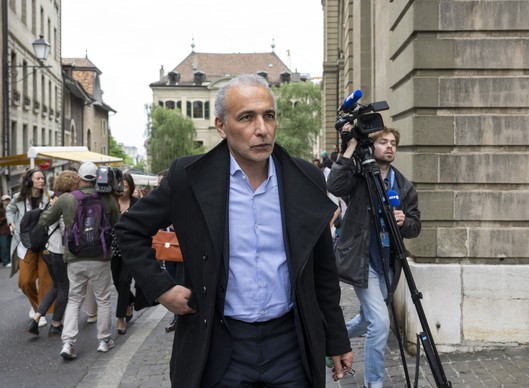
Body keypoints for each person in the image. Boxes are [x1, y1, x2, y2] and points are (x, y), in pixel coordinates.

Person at [115, 74, 353, 387]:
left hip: (290, 344)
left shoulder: (305, 178)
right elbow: (129, 229)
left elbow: (323, 268)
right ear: (221, 125)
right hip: (219, 343)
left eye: (268, 116)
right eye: (247, 117)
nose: (262, 129)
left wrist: (336, 337)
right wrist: (161, 288)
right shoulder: (188, 178)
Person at [327, 124, 421, 388]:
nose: (389, 146)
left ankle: (329, 340)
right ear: (373, 146)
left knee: (368, 318)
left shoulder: (403, 185)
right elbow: (333, 185)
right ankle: (374, 384)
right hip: (362, 261)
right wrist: (352, 145)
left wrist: (405, 222)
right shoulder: (358, 178)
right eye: (383, 142)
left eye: (393, 143)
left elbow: (416, 226)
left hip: (388, 264)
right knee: (380, 323)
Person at [39, 162, 120, 360]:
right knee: (103, 299)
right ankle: (104, 340)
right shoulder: (107, 199)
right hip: (100, 257)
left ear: (79, 178)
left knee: (75, 299)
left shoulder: (66, 199)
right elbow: (118, 223)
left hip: (74, 257)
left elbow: (44, 221)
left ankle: (68, 343)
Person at [27, 170, 78, 337]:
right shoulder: (65, 200)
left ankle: (36, 317)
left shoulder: (53, 199)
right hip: (58, 250)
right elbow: (66, 227)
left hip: (47, 250)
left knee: (56, 285)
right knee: (64, 286)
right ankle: (56, 323)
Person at [6, 168, 53, 326]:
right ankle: (37, 306)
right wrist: (11, 222)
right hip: (25, 244)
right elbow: (10, 210)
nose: (42, 180)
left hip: (45, 243)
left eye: (43, 178)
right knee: (25, 282)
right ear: (29, 180)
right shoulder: (18, 198)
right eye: (39, 178)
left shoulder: (49, 196)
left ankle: (40, 313)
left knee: (45, 280)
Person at [110, 172, 138, 335]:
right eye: (121, 186)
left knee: (124, 281)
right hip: (114, 249)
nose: (123, 189)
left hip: (132, 249)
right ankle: (131, 301)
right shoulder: (111, 202)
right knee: (117, 282)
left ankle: (120, 318)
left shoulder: (137, 203)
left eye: (126, 186)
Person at [155, 168, 182, 333]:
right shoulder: (160, 202)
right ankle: (176, 318)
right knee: (172, 282)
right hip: (168, 249)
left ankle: (179, 319)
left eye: (161, 183)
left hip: (183, 250)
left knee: (182, 283)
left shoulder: (182, 199)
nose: (159, 186)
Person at [0, 194, 12, 267]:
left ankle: (10, 260)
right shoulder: (1, 209)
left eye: (8, 200)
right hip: (2, 231)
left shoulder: (11, 208)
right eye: (5, 200)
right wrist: (5, 218)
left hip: (10, 230)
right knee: (4, 247)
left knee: (10, 246)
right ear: (2, 201)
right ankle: (5, 262)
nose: (7, 201)